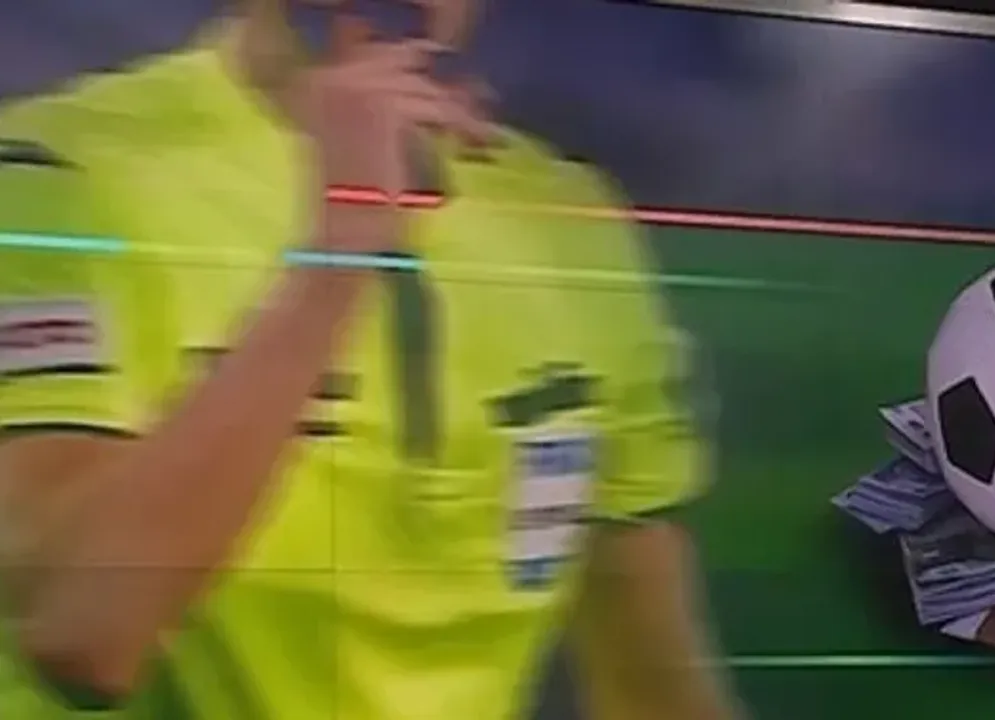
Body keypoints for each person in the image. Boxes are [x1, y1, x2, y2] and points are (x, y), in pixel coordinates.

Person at [0, 1, 739, 718]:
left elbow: (653, 690)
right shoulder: (59, 166)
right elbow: (84, 635)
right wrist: (340, 244)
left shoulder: (567, 217)